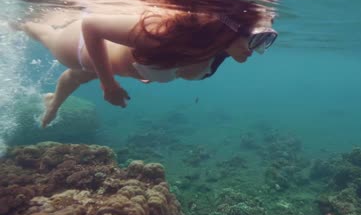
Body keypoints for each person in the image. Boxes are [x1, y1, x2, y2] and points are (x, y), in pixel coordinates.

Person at [18, 8, 278, 128]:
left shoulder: (218, 50)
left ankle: (53, 102)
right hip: (80, 49)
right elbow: (91, 25)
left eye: (267, 40)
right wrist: (108, 85)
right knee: (47, 35)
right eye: (257, 38)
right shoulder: (163, 33)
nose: (258, 49)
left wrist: (150, 72)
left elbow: (177, 65)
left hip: (116, 65)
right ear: (232, 28)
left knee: (78, 78)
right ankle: (17, 23)